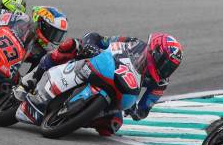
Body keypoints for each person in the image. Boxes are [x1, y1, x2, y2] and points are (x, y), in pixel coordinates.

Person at [19, 32, 184, 136]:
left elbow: (144, 110)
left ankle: (76, 118)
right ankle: (35, 76)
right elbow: (99, 39)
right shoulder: (133, 43)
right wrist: (91, 46)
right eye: (165, 63)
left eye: (171, 67)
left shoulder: (160, 82)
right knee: (71, 45)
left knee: (112, 126)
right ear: (155, 52)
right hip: (98, 66)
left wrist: (135, 111)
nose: (166, 69)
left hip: (119, 89)